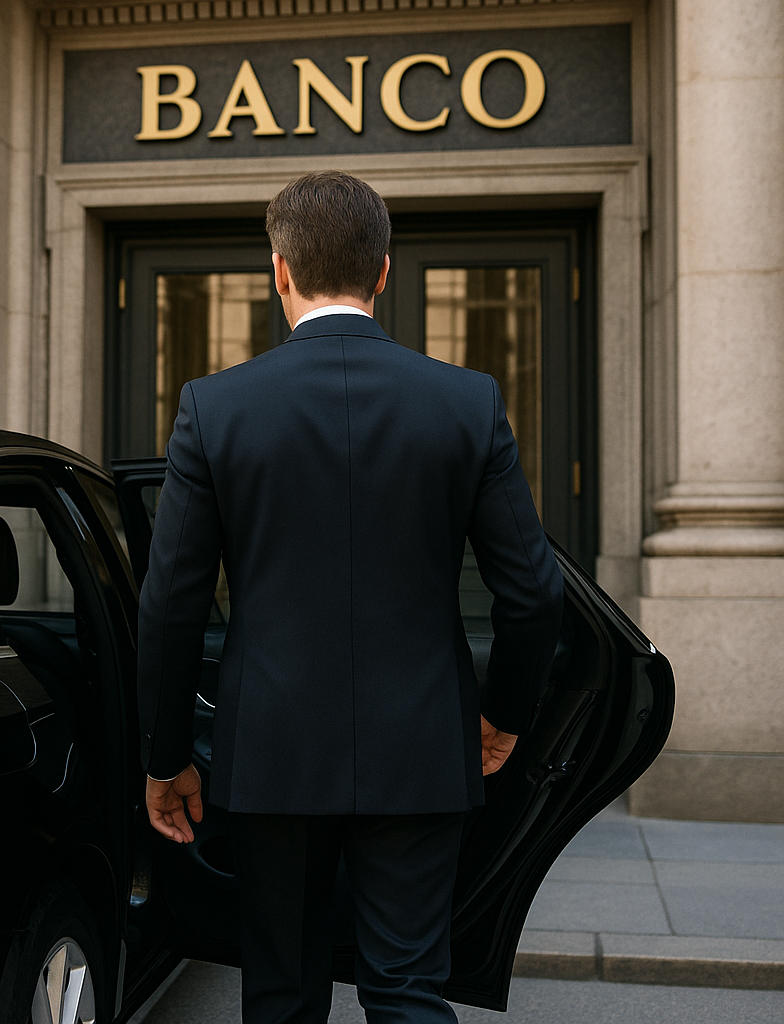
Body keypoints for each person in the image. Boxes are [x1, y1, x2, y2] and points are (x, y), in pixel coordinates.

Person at [137, 171, 564, 1023]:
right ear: (383, 273)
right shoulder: (467, 402)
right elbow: (534, 592)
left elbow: (170, 604)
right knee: (407, 989)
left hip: (273, 752)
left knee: (283, 996)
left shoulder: (213, 408)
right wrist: (503, 716)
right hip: (423, 746)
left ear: (280, 272)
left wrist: (167, 754)